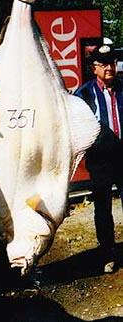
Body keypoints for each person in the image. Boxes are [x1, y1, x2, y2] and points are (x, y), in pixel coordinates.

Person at [75, 44, 123, 273]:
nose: (109, 68)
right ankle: (108, 254)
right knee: (103, 209)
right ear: (94, 68)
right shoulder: (83, 94)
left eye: (112, 63)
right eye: (104, 64)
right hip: (100, 160)